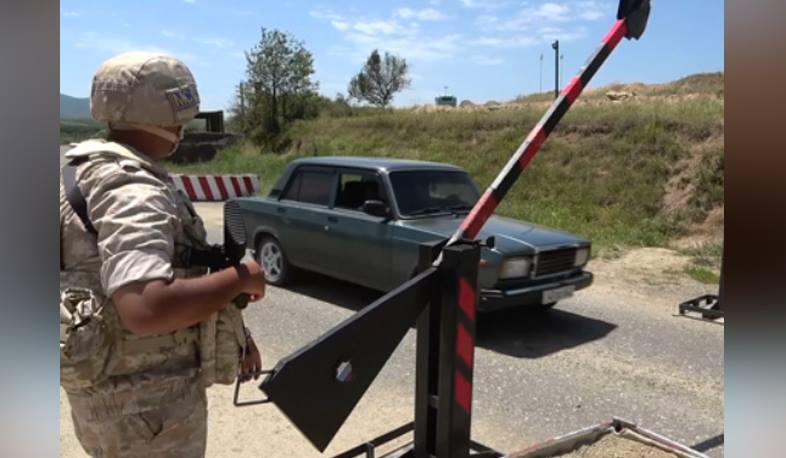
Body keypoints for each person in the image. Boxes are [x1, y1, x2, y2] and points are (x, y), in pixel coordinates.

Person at [59, 51, 265, 457]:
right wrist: (240, 279)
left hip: (114, 397)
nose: (183, 127)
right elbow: (145, 307)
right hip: (148, 410)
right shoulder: (133, 189)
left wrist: (240, 333)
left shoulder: (83, 168)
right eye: (179, 116)